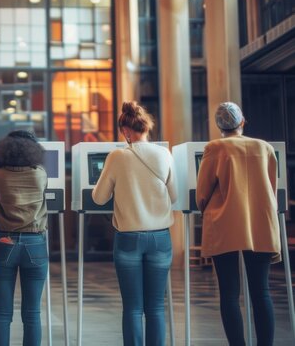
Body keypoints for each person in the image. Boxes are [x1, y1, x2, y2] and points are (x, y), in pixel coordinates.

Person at [92, 101, 177, 346]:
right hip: (160, 238)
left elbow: (99, 198)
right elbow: (175, 196)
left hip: (128, 238)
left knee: (132, 307)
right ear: (146, 127)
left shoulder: (117, 156)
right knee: (156, 307)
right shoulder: (164, 154)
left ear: (126, 131)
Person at [196, 102, 280, 346]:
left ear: (218, 125)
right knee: (261, 292)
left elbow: (202, 193)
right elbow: (271, 187)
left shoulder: (214, 148)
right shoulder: (264, 147)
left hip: (225, 224)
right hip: (260, 223)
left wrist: (206, 208)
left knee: (230, 294)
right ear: (242, 122)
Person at [0, 130, 48, 346]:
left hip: (5, 242)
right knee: (32, 313)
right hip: (35, 243)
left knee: (2, 311)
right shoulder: (40, 174)